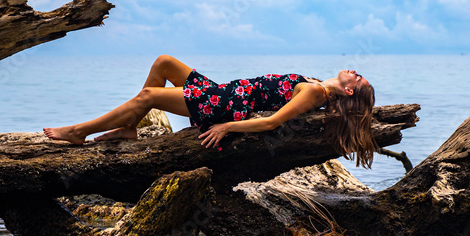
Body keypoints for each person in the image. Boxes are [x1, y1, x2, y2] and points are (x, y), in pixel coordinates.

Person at [43, 55, 377, 167]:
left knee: (148, 95)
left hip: (225, 107)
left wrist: (226, 128)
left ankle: (79, 132)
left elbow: (273, 121)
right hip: (222, 93)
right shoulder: (315, 83)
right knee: (164, 62)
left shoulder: (315, 92)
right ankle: (130, 126)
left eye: (358, 78)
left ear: (349, 91)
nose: (354, 70)